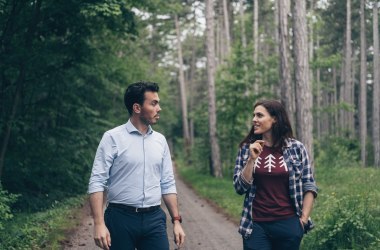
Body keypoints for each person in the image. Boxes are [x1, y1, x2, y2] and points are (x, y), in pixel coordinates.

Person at [88, 81, 185, 250]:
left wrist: (176, 221)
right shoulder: (112, 138)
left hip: (154, 219)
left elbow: (167, 183)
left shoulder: (160, 141)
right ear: (137, 108)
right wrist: (98, 223)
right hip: (120, 219)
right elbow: (97, 181)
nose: (159, 108)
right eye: (153, 103)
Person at [233, 100, 317, 250]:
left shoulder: (296, 148)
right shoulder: (247, 148)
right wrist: (251, 160)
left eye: (259, 115)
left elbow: (309, 185)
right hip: (255, 225)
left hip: (288, 225)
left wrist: (302, 220)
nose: (254, 119)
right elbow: (239, 188)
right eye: (254, 115)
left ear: (275, 119)